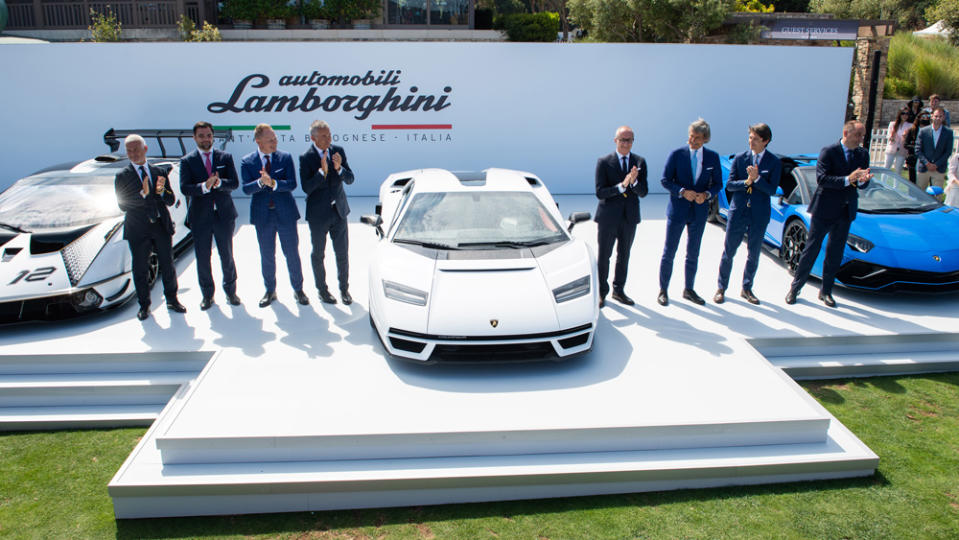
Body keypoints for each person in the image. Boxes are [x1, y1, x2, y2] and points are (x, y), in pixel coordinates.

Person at [786, 120, 872, 308]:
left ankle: (826, 291)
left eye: (862, 136)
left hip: (845, 210)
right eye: (858, 135)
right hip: (824, 209)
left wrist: (864, 181)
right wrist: (847, 179)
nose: (860, 139)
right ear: (846, 133)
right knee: (812, 250)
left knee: (835, 253)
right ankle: (795, 288)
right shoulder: (829, 151)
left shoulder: (862, 154)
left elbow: (862, 182)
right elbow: (822, 179)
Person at [114, 134, 186, 321]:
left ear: (145, 149)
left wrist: (161, 193)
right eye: (129, 151)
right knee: (140, 269)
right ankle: (144, 306)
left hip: (160, 226)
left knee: (168, 265)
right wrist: (143, 195)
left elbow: (169, 199)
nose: (133, 154)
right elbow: (123, 204)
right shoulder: (122, 176)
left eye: (136, 150)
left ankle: (172, 299)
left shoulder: (158, 173)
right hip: (138, 229)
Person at [241, 124, 310, 308]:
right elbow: (246, 189)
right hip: (263, 216)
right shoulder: (247, 161)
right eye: (270, 139)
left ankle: (298, 290)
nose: (275, 142)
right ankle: (270, 290)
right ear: (258, 141)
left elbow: (292, 184)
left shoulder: (285, 158)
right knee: (267, 255)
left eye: (275, 138)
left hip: (285, 214)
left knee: (292, 253)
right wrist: (260, 183)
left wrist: (272, 182)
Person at [714, 123, 781, 306]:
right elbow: (729, 185)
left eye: (756, 139)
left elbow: (772, 189)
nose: (751, 142)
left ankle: (747, 288)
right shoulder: (740, 158)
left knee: (753, 253)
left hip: (759, 214)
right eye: (750, 137)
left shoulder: (774, 162)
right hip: (738, 212)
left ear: (765, 141)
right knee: (729, 251)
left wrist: (757, 179)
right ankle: (721, 288)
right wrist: (747, 181)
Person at [658, 119, 723, 306]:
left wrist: (707, 194)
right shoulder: (676, 154)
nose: (692, 141)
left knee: (693, 252)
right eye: (691, 136)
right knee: (669, 251)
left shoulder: (712, 157)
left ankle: (689, 289)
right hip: (678, 210)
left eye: (697, 138)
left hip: (699, 212)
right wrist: (682, 191)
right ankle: (663, 290)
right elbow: (665, 180)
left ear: (705, 139)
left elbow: (718, 183)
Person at [179, 121, 241, 310]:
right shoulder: (187, 161)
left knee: (227, 255)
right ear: (194, 138)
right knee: (203, 257)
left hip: (223, 215)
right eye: (201, 136)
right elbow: (184, 187)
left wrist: (219, 183)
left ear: (213, 136)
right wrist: (203, 187)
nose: (206, 139)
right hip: (200, 217)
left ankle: (231, 292)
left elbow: (234, 183)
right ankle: (207, 296)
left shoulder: (225, 157)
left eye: (208, 135)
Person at [300, 120, 354, 305]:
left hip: (339, 212)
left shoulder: (338, 151)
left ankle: (344, 290)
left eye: (329, 134)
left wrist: (339, 169)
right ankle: (322, 290)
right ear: (313, 138)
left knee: (342, 253)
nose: (328, 139)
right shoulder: (305, 158)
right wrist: (321, 173)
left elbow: (350, 179)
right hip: (318, 216)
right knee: (318, 254)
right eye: (323, 136)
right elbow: (306, 188)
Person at [593, 125, 648, 307]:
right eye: (622, 140)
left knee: (624, 255)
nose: (626, 143)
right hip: (608, 217)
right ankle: (601, 292)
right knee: (604, 256)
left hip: (629, 217)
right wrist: (621, 186)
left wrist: (634, 182)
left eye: (629, 140)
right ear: (615, 140)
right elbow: (600, 192)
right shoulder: (604, 162)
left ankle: (619, 290)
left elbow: (644, 192)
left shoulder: (639, 162)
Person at [915, 107, 954, 192]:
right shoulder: (923, 131)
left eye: (940, 116)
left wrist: (936, 164)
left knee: (937, 195)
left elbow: (948, 152)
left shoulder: (948, 133)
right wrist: (927, 163)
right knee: (920, 193)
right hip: (924, 168)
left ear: (943, 117)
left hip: (939, 169)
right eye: (936, 116)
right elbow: (918, 150)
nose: (938, 118)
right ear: (932, 116)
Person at [883, 107, 912, 174]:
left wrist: (905, 136)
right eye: (903, 113)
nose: (905, 115)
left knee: (898, 170)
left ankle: (896, 185)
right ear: (899, 114)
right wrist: (892, 137)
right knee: (886, 168)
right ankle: (883, 183)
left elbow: (909, 138)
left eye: (907, 114)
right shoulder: (893, 124)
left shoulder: (910, 125)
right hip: (891, 148)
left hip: (902, 150)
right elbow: (888, 136)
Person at [904, 110, 930, 184]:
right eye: (923, 116)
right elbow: (906, 144)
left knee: (922, 181)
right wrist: (917, 148)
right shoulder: (912, 130)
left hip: (925, 159)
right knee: (912, 180)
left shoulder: (931, 131)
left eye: (928, 116)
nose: (925, 118)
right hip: (913, 158)